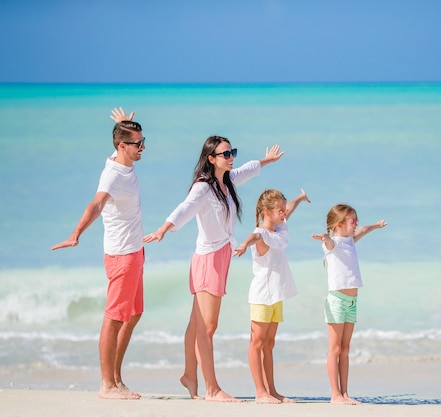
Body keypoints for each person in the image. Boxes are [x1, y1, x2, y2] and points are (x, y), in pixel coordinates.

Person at [143, 136, 283, 402]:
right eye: (225, 154)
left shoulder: (226, 181)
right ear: (211, 158)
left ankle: (189, 375)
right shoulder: (203, 187)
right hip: (208, 259)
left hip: (220, 257)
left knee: (197, 323)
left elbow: (246, 171)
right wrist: (164, 228)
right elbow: (185, 209)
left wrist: (265, 160)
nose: (231, 158)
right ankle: (212, 389)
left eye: (232, 153)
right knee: (208, 326)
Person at [51, 107, 145, 400]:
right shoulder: (112, 175)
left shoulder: (123, 160)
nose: (142, 148)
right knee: (115, 317)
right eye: (138, 144)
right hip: (121, 254)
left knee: (134, 313)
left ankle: (116, 378)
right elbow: (96, 204)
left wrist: (122, 125)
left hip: (136, 250)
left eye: (143, 142)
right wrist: (76, 233)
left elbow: (122, 143)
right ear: (122, 147)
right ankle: (107, 385)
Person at [233, 188, 310, 404]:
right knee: (257, 343)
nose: (284, 213)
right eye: (280, 211)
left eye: (284, 210)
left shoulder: (279, 228)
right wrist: (242, 245)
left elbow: (289, 210)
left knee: (269, 344)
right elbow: (254, 236)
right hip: (261, 296)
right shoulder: (263, 233)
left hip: (276, 295)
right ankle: (260, 392)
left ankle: (272, 390)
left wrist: (300, 199)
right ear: (267, 212)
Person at [311, 204, 387, 405]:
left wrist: (376, 226)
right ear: (339, 224)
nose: (356, 223)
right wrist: (326, 238)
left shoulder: (350, 241)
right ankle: (335, 395)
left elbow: (363, 230)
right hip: (336, 301)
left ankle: (345, 393)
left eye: (356, 219)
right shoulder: (333, 242)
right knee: (334, 349)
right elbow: (328, 244)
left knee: (345, 349)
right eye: (352, 220)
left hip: (352, 301)